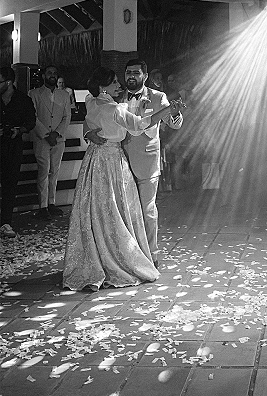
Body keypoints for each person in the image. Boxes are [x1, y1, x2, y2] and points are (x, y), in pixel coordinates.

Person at [63, 67, 182, 290]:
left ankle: (148, 254)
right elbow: (136, 125)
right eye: (120, 78)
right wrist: (89, 133)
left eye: (135, 73)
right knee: (116, 211)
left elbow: (175, 124)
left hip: (119, 162)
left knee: (133, 211)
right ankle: (122, 258)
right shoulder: (115, 105)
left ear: (144, 75)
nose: (124, 81)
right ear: (103, 86)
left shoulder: (96, 100)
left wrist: (171, 112)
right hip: (114, 162)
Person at [29, 64, 71, 219]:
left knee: (55, 171)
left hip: (59, 140)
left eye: (54, 73)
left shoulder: (64, 95)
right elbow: (32, 116)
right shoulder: (34, 94)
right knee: (43, 171)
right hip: (41, 139)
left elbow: (67, 117)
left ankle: (52, 203)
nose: (52, 75)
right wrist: (47, 134)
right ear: (43, 76)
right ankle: (43, 206)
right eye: (49, 73)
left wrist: (57, 133)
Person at [0, 67, 36, 238]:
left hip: (13, 146)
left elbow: (31, 121)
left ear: (8, 82)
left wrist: (19, 130)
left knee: (10, 184)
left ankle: (5, 222)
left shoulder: (23, 100)